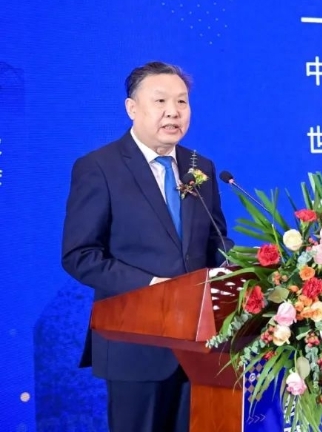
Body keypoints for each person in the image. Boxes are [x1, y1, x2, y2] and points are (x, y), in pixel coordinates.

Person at [61, 61, 234, 432]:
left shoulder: (200, 166)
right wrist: (154, 287)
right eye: (160, 101)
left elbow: (216, 242)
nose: (173, 111)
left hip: (202, 347)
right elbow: (80, 255)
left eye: (182, 101)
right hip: (135, 346)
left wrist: (235, 272)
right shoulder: (99, 167)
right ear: (132, 108)